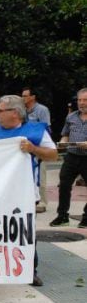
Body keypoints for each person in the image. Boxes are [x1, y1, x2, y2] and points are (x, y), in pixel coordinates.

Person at [0, 94, 57, 287]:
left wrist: (33, 149)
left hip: (25, 191)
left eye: (0, 110)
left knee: (25, 231)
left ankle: (30, 270)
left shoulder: (35, 131)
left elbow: (53, 155)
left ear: (14, 113)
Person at [50, 88, 87, 228]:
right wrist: (64, 141)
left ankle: (86, 217)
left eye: (85, 100)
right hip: (71, 157)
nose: (82, 103)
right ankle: (62, 216)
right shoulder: (71, 117)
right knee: (64, 185)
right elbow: (65, 134)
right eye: (80, 100)